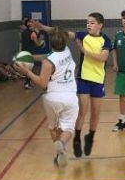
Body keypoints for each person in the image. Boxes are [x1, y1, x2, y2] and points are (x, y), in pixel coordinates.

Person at [37, 13, 112, 157]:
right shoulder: (83, 36)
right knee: (82, 112)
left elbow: (103, 58)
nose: (89, 25)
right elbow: (61, 32)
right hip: (83, 79)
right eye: (87, 22)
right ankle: (77, 139)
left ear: (100, 25)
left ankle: (90, 137)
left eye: (92, 22)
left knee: (95, 113)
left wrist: (83, 50)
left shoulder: (105, 40)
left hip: (98, 80)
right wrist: (42, 27)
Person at [14, 28, 78, 166]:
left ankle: (59, 154)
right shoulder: (67, 51)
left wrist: (27, 72)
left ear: (51, 44)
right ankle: (61, 143)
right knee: (68, 128)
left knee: (53, 127)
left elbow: (43, 83)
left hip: (52, 97)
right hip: (70, 96)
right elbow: (46, 59)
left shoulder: (48, 62)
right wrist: (30, 57)